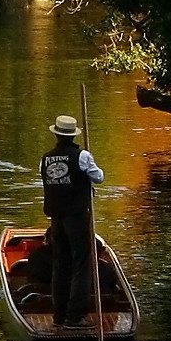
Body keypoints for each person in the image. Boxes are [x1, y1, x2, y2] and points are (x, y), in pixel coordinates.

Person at [39, 114, 105, 325]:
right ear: (72, 135)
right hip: (76, 217)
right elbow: (99, 178)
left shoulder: (46, 158)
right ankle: (75, 317)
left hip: (55, 219)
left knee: (60, 264)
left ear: (57, 134)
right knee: (81, 264)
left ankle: (59, 316)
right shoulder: (82, 156)